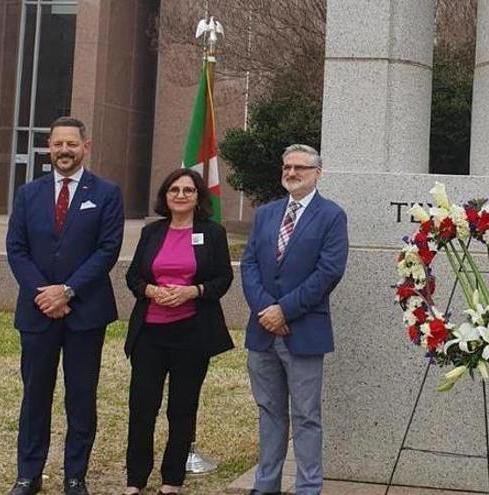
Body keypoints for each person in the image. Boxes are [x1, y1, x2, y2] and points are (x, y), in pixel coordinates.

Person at [6, 116, 124, 495]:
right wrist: (46, 293)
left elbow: (107, 250)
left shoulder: (106, 193)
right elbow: (17, 249)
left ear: (85, 147)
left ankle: (75, 475)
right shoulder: (28, 194)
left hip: (85, 313)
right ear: (49, 147)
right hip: (37, 311)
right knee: (35, 395)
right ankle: (28, 474)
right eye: (57, 144)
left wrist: (68, 290)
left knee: (81, 396)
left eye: (71, 144)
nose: (64, 151)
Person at [241, 144, 349, 495]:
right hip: (262, 332)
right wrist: (266, 311)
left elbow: (328, 272)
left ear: (318, 172)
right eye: (287, 166)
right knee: (269, 412)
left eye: (300, 168)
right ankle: (266, 485)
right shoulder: (266, 214)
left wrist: (284, 311)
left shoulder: (332, 216)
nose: (291, 173)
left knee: (305, 417)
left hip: (303, 332)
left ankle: (308, 488)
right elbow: (250, 265)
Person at [122, 168, 234, 494]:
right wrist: (151, 291)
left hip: (192, 334)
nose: (181, 195)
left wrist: (193, 291)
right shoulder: (151, 232)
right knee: (142, 407)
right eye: (174, 190)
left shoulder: (212, 234)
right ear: (165, 196)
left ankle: (172, 479)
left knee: (181, 408)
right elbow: (132, 277)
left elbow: (223, 278)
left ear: (199, 197)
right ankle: (135, 479)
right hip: (150, 335)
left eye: (188, 190)